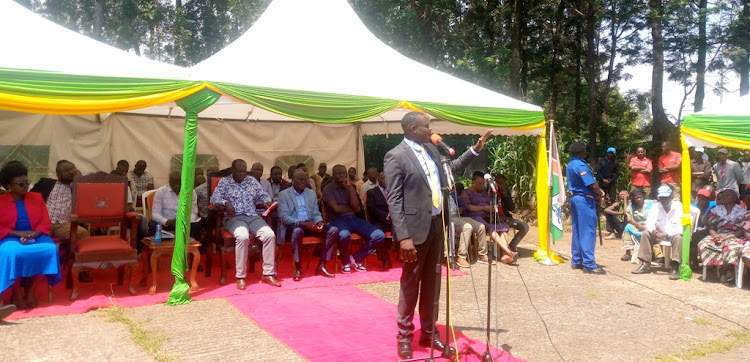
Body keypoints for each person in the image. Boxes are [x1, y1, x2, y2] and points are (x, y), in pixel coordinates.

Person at [384, 111, 492, 359]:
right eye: (426, 126)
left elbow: (451, 169)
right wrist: (404, 237)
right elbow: (395, 200)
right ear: (412, 129)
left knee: (433, 284)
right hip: (414, 231)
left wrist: (474, 150)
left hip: (436, 226)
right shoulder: (396, 156)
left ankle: (430, 333)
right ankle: (404, 337)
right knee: (410, 285)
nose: (431, 130)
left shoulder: (432, 151)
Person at [0, 161, 61, 310]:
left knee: (49, 249)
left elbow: (45, 220)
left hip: (36, 235)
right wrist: (17, 233)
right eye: (20, 183)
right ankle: (16, 293)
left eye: (27, 182)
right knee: (11, 252)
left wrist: (36, 232)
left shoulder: (37, 197)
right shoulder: (1, 201)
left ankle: (30, 291)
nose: (26, 186)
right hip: (9, 236)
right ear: (9, 186)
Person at [210, 159, 279, 289]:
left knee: (269, 234)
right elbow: (213, 198)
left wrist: (267, 202)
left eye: (244, 171)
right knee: (242, 236)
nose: (242, 174)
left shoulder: (251, 181)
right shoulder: (225, 182)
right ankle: (240, 276)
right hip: (234, 218)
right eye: (239, 171)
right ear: (233, 170)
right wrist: (226, 203)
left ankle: (268, 273)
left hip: (252, 216)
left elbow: (263, 195)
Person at [322, 164, 385, 273]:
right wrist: (351, 208)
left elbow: (356, 209)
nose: (342, 175)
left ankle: (355, 259)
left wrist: (350, 188)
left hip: (353, 219)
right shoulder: (328, 189)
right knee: (344, 235)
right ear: (333, 175)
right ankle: (345, 262)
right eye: (338, 173)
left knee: (379, 235)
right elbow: (336, 209)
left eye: (343, 173)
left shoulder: (351, 186)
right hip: (337, 220)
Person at [277, 169, 337, 281]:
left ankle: (322, 265)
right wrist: (302, 223)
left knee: (332, 230)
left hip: (310, 224)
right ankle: (298, 268)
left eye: (305, 180)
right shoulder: (284, 194)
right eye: (300, 179)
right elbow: (283, 217)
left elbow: (315, 213)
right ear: (293, 180)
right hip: (293, 225)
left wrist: (319, 222)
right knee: (297, 231)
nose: (303, 182)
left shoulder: (311, 193)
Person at [566, 141, 606, 274]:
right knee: (588, 231)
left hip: (575, 198)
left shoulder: (570, 164)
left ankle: (577, 260)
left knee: (578, 230)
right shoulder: (580, 165)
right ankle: (589, 264)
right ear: (581, 152)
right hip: (584, 200)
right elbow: (591, 184)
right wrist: (600, 193)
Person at [461, 171, 516, 263]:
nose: (482, 185)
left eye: (483, 183)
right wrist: (484, 207)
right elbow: (468, 207)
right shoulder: (466, 192)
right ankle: (508, 251)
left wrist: (491, 207)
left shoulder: (484, 193)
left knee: (503, 227)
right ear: (473, 182)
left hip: (488, 215)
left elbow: (491, 201)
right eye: (479, 183)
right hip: (474, 216)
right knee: (491, 228)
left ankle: (505, 255)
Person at [696, 189, 747, 283]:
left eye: (727, 195)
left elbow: (742, 230)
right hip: (719, 234)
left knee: (732, 248)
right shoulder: (717, 210)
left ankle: (723, 270)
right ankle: (715, 269)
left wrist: (726, 238)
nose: (724, 197)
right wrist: (715, 235)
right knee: (703, 244)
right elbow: (712, 226)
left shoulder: (741, 210)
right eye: (723, 195)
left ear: (734, 198)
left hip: (735, 236)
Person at [632, 185, 683, 280]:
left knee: (679, 238)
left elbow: (680, 226)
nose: (663, 200)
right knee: (646, 234)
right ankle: (645, 263)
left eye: (666, 198)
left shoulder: (678, 206)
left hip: (673, 234)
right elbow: (649, 222)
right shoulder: (655, 207)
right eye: (661, 198)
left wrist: (666, 233)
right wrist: (653, 230)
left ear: (671, 197)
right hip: (658, 233)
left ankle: (675, 266)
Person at [148, 171, 201, 240]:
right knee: (153, 225)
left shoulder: (191, 192)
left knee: (196, 226)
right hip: (166, 222)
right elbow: (155, 214)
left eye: (179, 183)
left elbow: (193, 212)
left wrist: (184, 221)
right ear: (169, 182)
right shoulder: (161, 191)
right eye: (173, 183)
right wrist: (166, 221)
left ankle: (191, 248)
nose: (176, 185)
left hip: (184, 223)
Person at [449, 183, 490, 267]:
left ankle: (482, 255)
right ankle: (461, 257)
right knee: (467, 227)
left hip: (459, 216)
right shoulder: (441, 195)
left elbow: (463, 206)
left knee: (481, 226)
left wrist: (461, 209)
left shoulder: (454, 195)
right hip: (450, 217)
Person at [366, 171, 395, 270]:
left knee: (407, 229)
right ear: (378, 179)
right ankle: (385, 260)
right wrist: (387, 216)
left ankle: (404, 257)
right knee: (379, 235)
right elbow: (372, 209)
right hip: (379, 221)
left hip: (394, 221)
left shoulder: (394, 191)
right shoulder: (372, 192)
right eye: (383, 178)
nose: (386, 181)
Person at [494, 174, 529, 252]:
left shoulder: (505, 191)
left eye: (502, 184)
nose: (501, 186)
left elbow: (512, 208)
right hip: (495, 218)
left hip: (506, 216)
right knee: (505, 226)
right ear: (494, 182)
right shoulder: (489, 192)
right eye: (499, 183)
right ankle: (504, 250)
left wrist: (506, 196)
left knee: (524, 227)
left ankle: (512, 246)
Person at [620, 189, 655, 262]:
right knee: (627, 227)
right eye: (636, 198)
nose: (639, 199)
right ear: (633, 199)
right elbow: (629, 218)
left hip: (650, 224)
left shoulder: (651, 203)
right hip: (637, 225)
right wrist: (637, 225)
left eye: (640, 197)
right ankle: (628, 253)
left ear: (643, 197)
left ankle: (652, 253)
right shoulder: (631, 206)